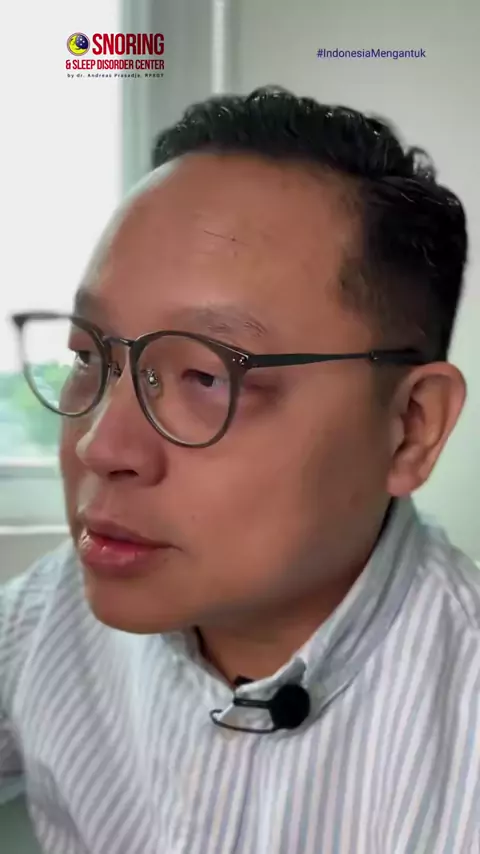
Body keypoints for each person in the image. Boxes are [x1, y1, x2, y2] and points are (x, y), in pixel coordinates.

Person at [1, 87, 479, 854]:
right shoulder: (49, 611)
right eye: (88, 357)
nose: (101, 446)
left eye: (206, 376)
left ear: (412, 427)